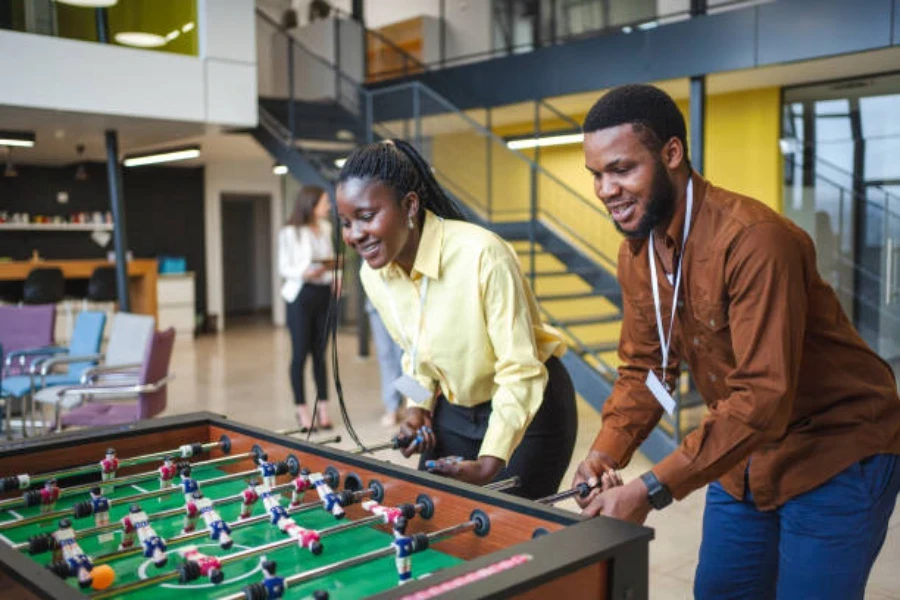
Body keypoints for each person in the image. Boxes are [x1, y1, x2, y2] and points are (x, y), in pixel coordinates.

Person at [572, 84, 900, 599]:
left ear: (672, 154)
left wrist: (650, 490)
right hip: (742, 453)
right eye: (596, 175)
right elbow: (644, 370)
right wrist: (604, 455)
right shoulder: (637, 252)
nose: (605, 190)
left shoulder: (754, 240)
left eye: (621, 169)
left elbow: (763, 396)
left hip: (835, 448)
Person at [335, 139, 578, 499]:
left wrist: (489, 462)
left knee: (505, 534)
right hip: (457, 410)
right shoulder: (374, 275)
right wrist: (416, 410)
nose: (355, 235)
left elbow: (520, 370)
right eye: (345, 222)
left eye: (367, 217)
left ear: (409, 205)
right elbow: (412, 356)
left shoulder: (482, 254)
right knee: (431, 519)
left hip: (530, 407)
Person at [279, 186, 336, 431]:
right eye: (325, 202)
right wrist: (305, 271)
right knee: (300, 354)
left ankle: (323, 409)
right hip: (300, 296)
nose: (329, 207)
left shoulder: (326, 229)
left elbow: (331, 258)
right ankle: (302, 410)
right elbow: (284, 267)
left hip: (324, 294)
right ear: (311, 205)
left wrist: (336, 272)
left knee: (320, 355)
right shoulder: (290, 233)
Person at [365, 296, 405, 426]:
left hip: (404, 303)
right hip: (377, 303)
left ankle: (416, 404)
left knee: (404, 358)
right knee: (386, 356)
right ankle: (392, 406)